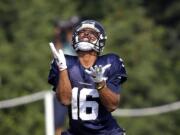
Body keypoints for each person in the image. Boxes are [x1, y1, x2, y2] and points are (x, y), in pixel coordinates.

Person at [48, 20, 127, 135]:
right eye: (82, 32)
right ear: (75, 38)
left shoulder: (110, 62)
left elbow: (112, 105)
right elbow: (65, 100)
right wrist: (62, 69)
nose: (85, 34)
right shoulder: (65, 62)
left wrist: (100, 83)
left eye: (91, 33)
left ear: (100, 40)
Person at [52, 16, 80, 135]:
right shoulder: (63, 47)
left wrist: (69, 31)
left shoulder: (80, 46)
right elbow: (56, 54)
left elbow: (75, 46)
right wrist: (57, 35)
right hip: (62, 87)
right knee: (57, 122)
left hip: (77, 88)